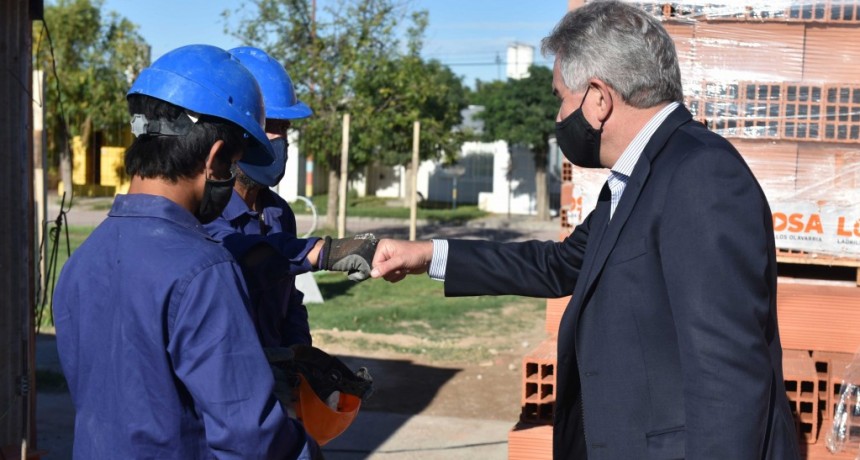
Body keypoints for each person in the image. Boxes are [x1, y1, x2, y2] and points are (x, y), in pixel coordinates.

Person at [370, 2, 800, 458]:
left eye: (561, 96)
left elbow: (727, 374)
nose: (558, 116)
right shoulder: (645, 174)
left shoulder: (699, 175)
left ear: (598, 97)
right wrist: (426, 255)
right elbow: (559, 264)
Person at [53, 44, 317, 459]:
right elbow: (252, 441)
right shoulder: (203, 270)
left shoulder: (81, 263)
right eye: (233, 164)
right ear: (215, 159)